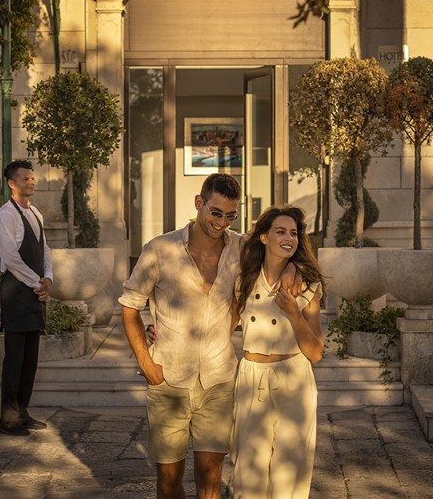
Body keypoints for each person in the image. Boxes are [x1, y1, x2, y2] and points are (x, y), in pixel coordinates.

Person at [118, 173, 245, 499]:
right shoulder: (160, 249)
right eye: (216, 212)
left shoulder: (240, 248)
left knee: (210, 481)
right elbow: (130, 307)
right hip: (169, 380)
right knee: (169, 483)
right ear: (199, 203)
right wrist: (148, 365)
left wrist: (221, 331)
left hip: (219, 379)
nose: (222, 222)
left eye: (231, 215)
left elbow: (239, 302)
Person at [231, 205, 325, 499]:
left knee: (289, 473)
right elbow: (220, 324)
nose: (289, 238)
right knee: (248, 472)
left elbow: (315, 353)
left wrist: (294, 313)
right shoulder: (243, 280)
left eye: (294, 233)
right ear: (263, 237)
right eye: (280, 231)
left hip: (293, 379)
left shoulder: (306, 284)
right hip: (251, 378)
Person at [0, 159, 52, 436]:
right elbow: (10, 258)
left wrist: (48, 278)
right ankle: (8, 418)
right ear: (12, 184)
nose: (31, 182)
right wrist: (35, 283)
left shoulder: (36, 213)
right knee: (14, 358)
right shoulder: (6, 215)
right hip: (17, 292)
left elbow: (45, 249)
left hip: (35, 291)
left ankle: (23, 412)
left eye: (32, 178)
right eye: (25, 178)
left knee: (30, 358)